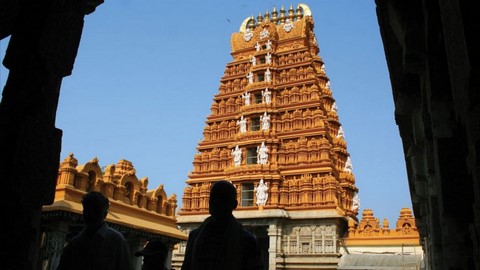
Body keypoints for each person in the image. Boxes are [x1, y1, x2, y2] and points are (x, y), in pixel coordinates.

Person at [181, 180, 264, 270]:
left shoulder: (247, 241)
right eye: (213, 198)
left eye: (223, 199)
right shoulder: (194, 236)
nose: (216, 203)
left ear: (234, 204)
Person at [56, 191, 133, 270]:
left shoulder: (117, 241)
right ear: (84, 212)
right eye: (89, 211)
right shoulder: (74, 244)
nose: (92, 215)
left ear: (105, 214)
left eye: (96, 211)